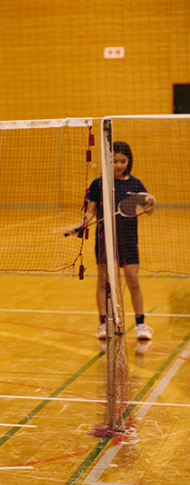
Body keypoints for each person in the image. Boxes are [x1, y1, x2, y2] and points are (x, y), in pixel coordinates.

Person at [84, 141, 155, 340]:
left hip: (129, 239)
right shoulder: (99, 184)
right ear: (108, 161)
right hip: (104, 238)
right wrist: (81, 223)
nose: (119, 165)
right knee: (103, 281)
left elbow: (148, 211)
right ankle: (103, 324)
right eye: (114, 161)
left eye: (123, 161)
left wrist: (151, 203)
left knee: (132, 279)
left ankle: (141, 324)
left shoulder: (135, 184)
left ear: (128, 161)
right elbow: (90, 212)